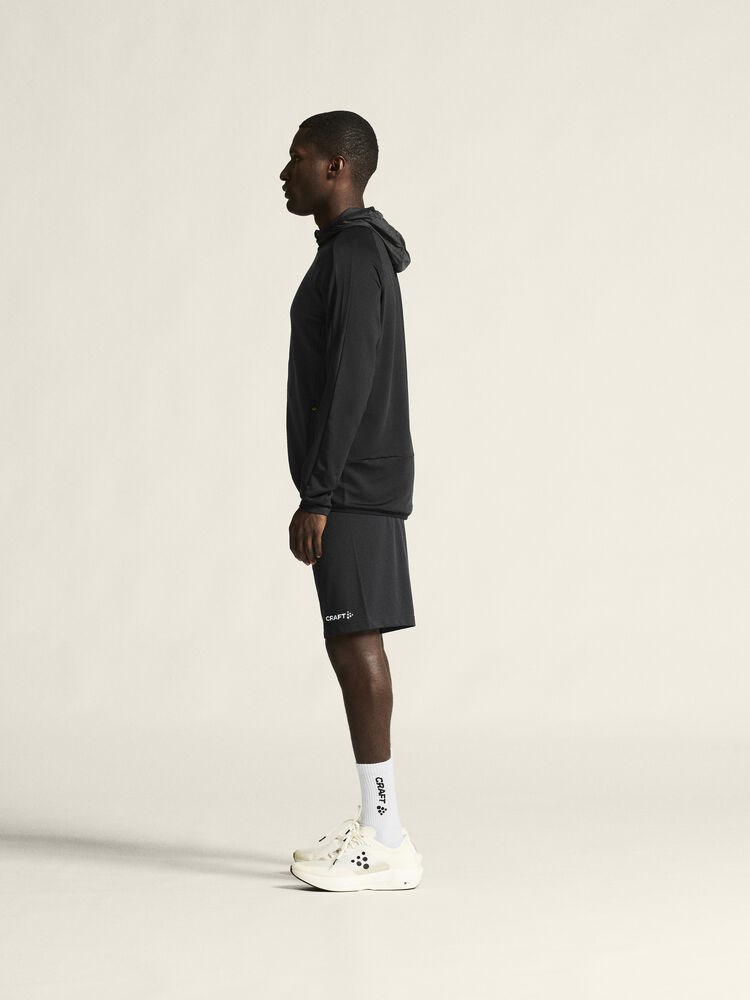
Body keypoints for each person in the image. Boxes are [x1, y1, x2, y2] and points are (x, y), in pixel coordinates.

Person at [280, 110, 423, 891]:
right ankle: (376, 825)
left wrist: (320, 493)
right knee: (350, 641)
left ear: (336, 167)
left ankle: (386, 838)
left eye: (298, 157)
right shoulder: (349, 253)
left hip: (354, 487)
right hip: (354, 484)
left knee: (356, 641)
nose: (285, 172)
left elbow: (351, 381)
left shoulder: (356, 254)